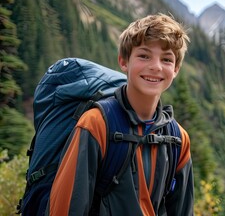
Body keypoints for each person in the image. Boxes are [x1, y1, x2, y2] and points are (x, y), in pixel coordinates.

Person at [47, 13, 194, 215]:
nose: (156, 66)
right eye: (144, 55)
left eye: (167, 59)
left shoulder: (178, 139)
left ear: (176, 69)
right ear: (124, 62)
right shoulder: (96, 124)